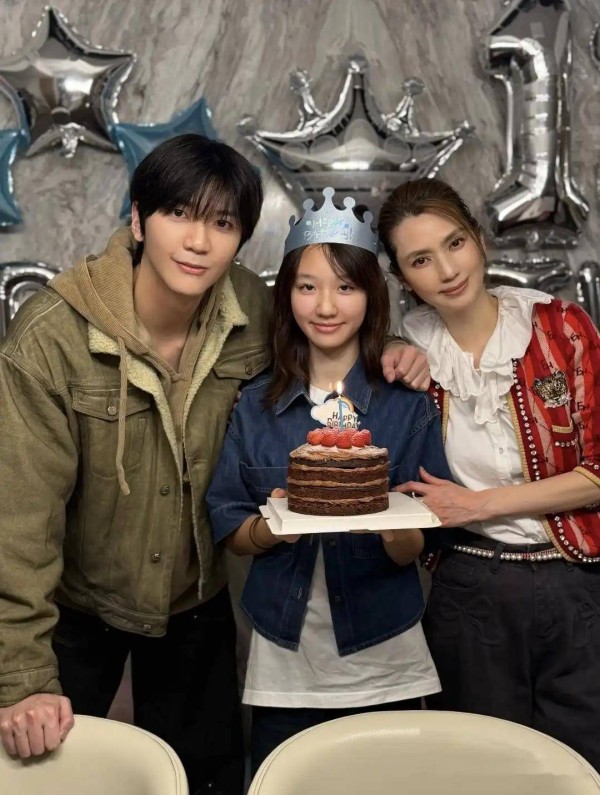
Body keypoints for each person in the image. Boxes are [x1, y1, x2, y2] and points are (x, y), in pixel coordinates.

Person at [0, 134, 427, 793]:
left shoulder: (254, 311)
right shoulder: (51, 335)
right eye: (178, 213)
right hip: (77, 605)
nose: (198, 241)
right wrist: (23, 676)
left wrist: (393, 348)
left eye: (223, 223)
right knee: (58, 777)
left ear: (241, 240)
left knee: (210, 780)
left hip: (196, 603)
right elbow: (20, 517)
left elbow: (328, 327)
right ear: (138, 219)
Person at [206, 187, 453, 775]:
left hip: (386, 657)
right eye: (307, 286)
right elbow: (229, 523)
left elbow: (423, 540)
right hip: (284, 662)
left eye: (345, 287)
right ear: (286, 294)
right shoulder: (254, 406)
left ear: (371, 294)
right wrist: (272, 529)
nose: (325, 306)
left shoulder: (407, 405)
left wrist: (392, 525)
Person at [378, 177, 600, 770]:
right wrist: (389, 347)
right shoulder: (402, 356)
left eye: (455, 244)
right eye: (421, 260)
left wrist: (481, 503)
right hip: (469, 586)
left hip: (576, 582)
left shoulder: (560, 328)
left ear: (478, 238)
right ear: (402, 279)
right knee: (480, 769)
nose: (447, 270)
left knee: (581, 764)